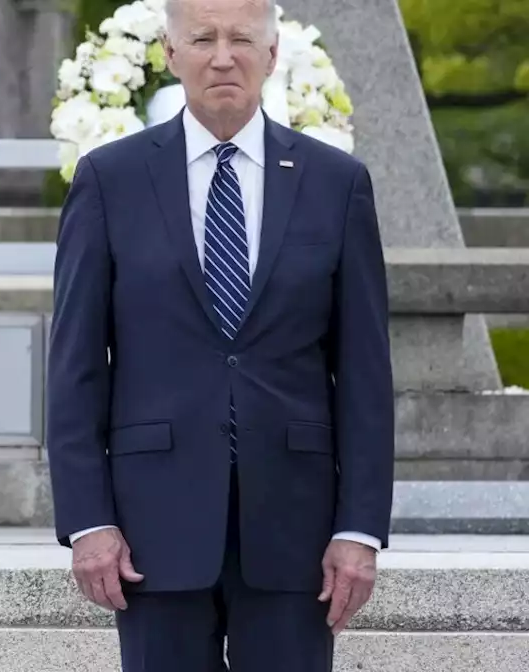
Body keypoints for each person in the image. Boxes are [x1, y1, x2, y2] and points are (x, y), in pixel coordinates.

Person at [45, 0, 394, 669]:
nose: (223, 55)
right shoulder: (109, 180)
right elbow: (76, 368)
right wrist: (89, 521)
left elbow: (365, 373)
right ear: (171, 55)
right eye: (202, 38)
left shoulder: (336, 183)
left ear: (272, 55)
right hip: (152, 529)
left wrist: (359, 529)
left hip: (297, 529)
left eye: (241, 38)